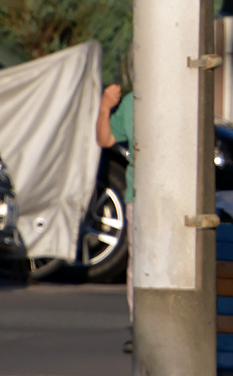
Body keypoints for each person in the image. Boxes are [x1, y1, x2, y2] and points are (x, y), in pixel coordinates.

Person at [96, 84, 134, 353]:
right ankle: (139, 327)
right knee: (137, 263)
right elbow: (106, 139)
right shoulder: (133, 102)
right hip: (137, 194)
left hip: (172, 196)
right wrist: (105, 106)